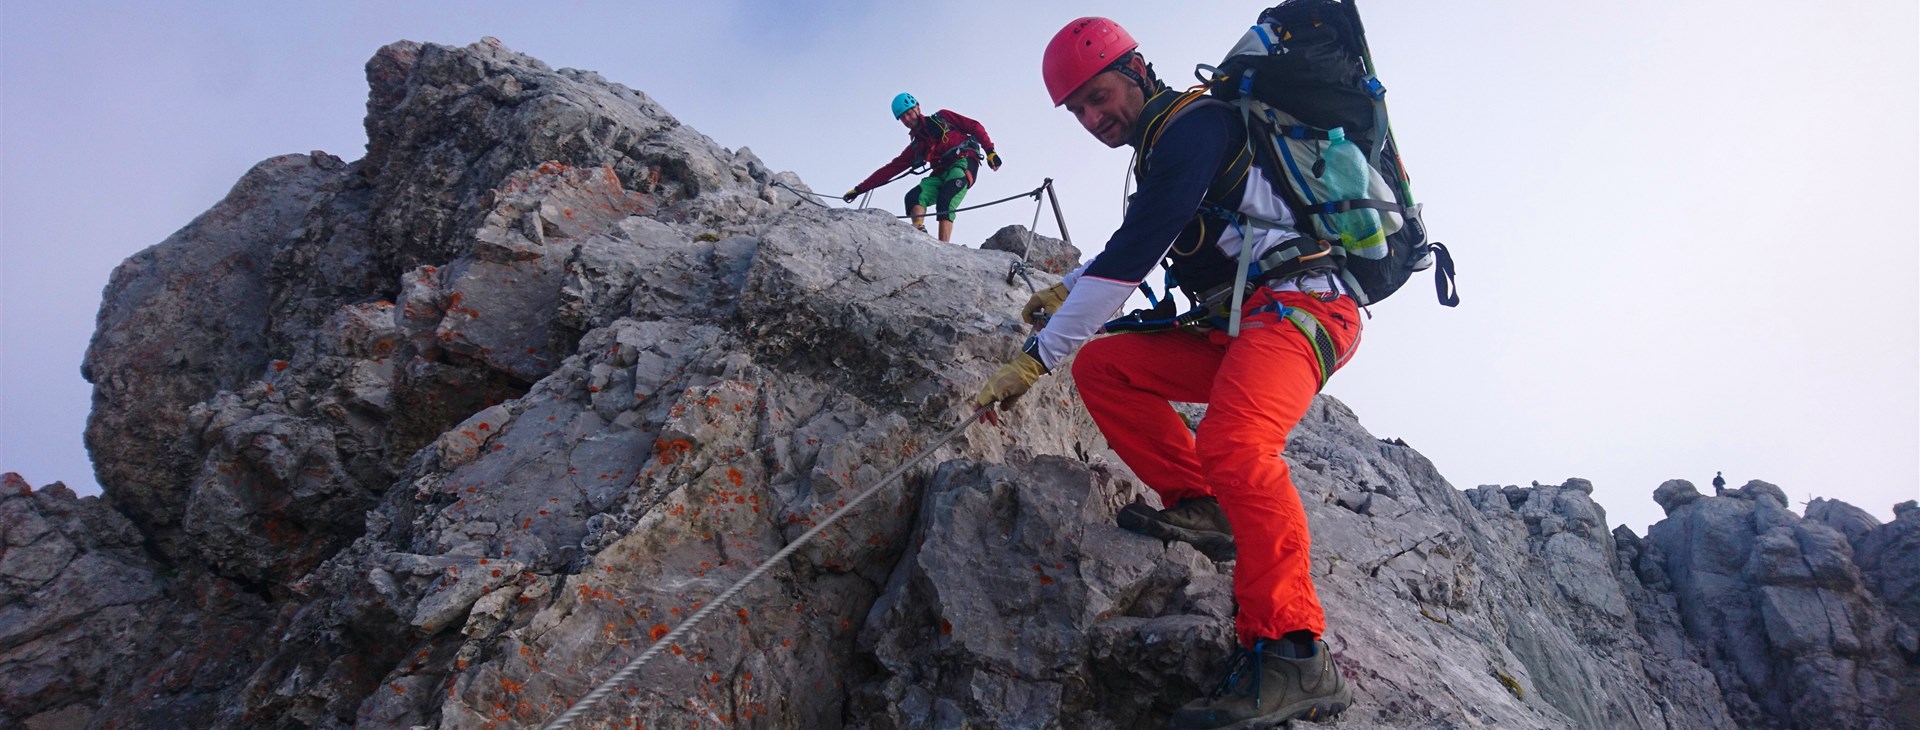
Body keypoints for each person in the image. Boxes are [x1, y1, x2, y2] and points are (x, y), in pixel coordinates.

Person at [972, 17, 1357, 728]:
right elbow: (1141, 235)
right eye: (1080, 110)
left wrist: (1033, 362)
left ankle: (1295, 651)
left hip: (1304, 310)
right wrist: (1075, 286)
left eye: (1100, 95)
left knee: (1239, 444)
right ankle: (1203, 503)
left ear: (1138, 70)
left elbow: (1137, 252)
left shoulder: (1195, 128)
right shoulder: (1165, 146)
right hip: (1240, 324)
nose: (1094, 118)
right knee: (1109, 365)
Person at [843, 93, 1001, 243]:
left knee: (946, 199)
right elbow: (890, 170)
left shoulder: (943, 118)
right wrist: (859, 189)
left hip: (963, 162)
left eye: (909, 113)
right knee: (914, 197)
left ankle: (943, 248)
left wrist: (990, 152)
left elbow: (974, 127)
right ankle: (919, 233)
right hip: (940, 173)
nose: (907, 119)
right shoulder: (917, 145)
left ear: (918, 108)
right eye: (903, 118)